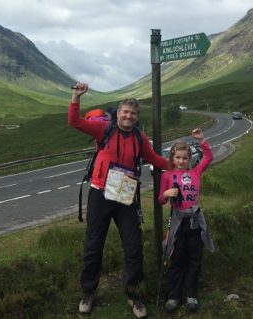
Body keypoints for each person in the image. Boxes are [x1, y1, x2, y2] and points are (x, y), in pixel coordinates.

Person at [69, 82, 171, 318]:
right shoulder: (104, 129)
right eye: (125, 111)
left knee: (133, 246)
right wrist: (76, 97)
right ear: (119, 113)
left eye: (133, 113)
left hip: (125, 196)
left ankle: (134, 294)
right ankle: (88, 292)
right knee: (94, 244)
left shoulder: (139, 137)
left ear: (136, 117)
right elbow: (75, 122)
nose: (129, 115)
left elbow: (154, 158)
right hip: (101, 193)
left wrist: (176, 167)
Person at [158, 128, 215, 313]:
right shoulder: (167, 176)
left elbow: (208, 158)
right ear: (172, 159)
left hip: (195, 222)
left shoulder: (196, 172)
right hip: (177, 222)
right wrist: (166, 193)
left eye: (184, 158)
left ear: (189, 159)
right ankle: (174, 296)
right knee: (176, 258)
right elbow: (160, 199)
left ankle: (191, 295)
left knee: (194, 258)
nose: (181, 161)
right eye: (178, 158)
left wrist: (201, 140)